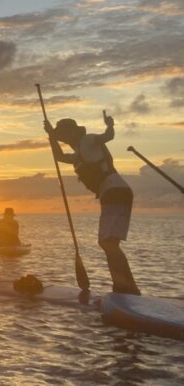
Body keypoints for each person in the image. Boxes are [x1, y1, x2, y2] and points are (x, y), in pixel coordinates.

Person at [45, 112, 140, 295]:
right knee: (107, 243)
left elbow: (107, 137)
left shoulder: (88, 140)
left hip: (115, 191)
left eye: (65, 134)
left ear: (75, 132)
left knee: (108, 243)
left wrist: (110, 125)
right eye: (61, 136)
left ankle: (127, 288)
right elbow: (59, 157)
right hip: (111, 193)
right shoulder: (78, 153)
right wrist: (51, 136)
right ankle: (123, 286)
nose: (64, 138)